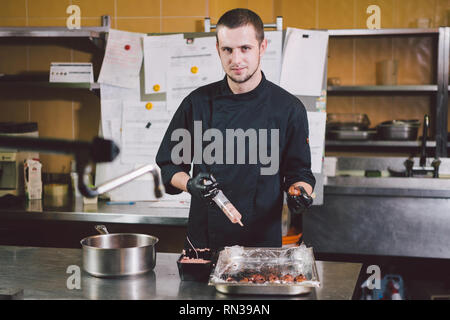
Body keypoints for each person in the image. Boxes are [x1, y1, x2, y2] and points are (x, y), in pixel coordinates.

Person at [156, 8, 315, 250]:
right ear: (217, 49)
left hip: (261, 246)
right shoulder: (196, 104)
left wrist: (299, 192)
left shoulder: (288, 108)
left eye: (245, 48)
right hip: (205, 244)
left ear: (262, 47)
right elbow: (169, 166)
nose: (236, 59)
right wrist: (189, 184)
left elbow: (299, 173)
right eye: (227, 50)